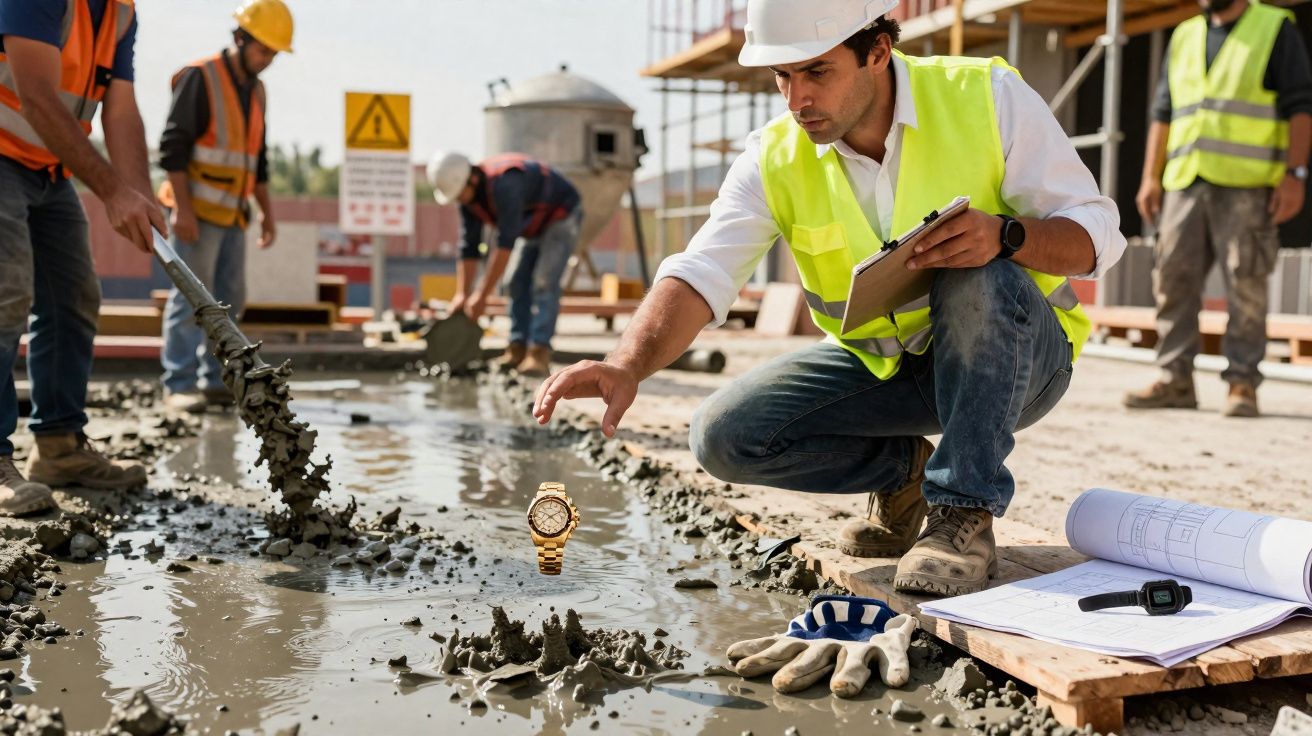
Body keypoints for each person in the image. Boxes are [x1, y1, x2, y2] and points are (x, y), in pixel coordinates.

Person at [532, 0, 1126, 597]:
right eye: (782, 77)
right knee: (724, 435)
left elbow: (1096, 233)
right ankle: (907, 475)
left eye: (816, 72)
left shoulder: (987, 97)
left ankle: (961, 512)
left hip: (1020, 364)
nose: (797, 100)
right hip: (890, 372)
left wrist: (1006, 235)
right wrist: (626, 363)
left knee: (975, 268)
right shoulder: (775, 157)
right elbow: (703, 269)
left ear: (876, 52)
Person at [0, 0, 166, 515]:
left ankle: (59, 448)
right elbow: (37, 96)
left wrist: (139, 193)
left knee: (73, 297)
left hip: (48, 169)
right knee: (6, 294)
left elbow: (119, 109)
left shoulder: (119, 12)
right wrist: (113, 191)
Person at [1126, 0, 1312, 418]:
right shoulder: (1186, 34)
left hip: (1247, 182)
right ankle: (1175, 378)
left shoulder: (1274, 27)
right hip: (1186, 179)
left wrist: (1295, 174)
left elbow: (1300, 106)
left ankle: (1242, 382)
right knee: (1172, 278)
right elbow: (1163, 111)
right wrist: (1150, 177)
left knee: (1246, 281)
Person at [157, 0, 291, 413]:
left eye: (272, 53)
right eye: (262, 50)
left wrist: (267, 212)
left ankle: (216, 381)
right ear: (240, 39)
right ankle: (177, 384)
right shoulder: (202, 77)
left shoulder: (257, 91)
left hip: (233, 214)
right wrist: (183, 210)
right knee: (188, 303)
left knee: (231, 298)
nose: (267, 60)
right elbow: (172, 148)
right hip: (195, 211)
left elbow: (258, 158)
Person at [427, 150, 582, 378]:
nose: (459, 200)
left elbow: (504, 245)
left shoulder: (506, 184)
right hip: (532, 223)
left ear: (472, 179)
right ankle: (517, 347)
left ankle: (539, 352)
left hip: (560, 215)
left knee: (543, 281)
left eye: (460, 194)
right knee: (514, 282)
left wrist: (481, 295)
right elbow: (469, 247)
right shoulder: (467, 198)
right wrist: (462, 294)